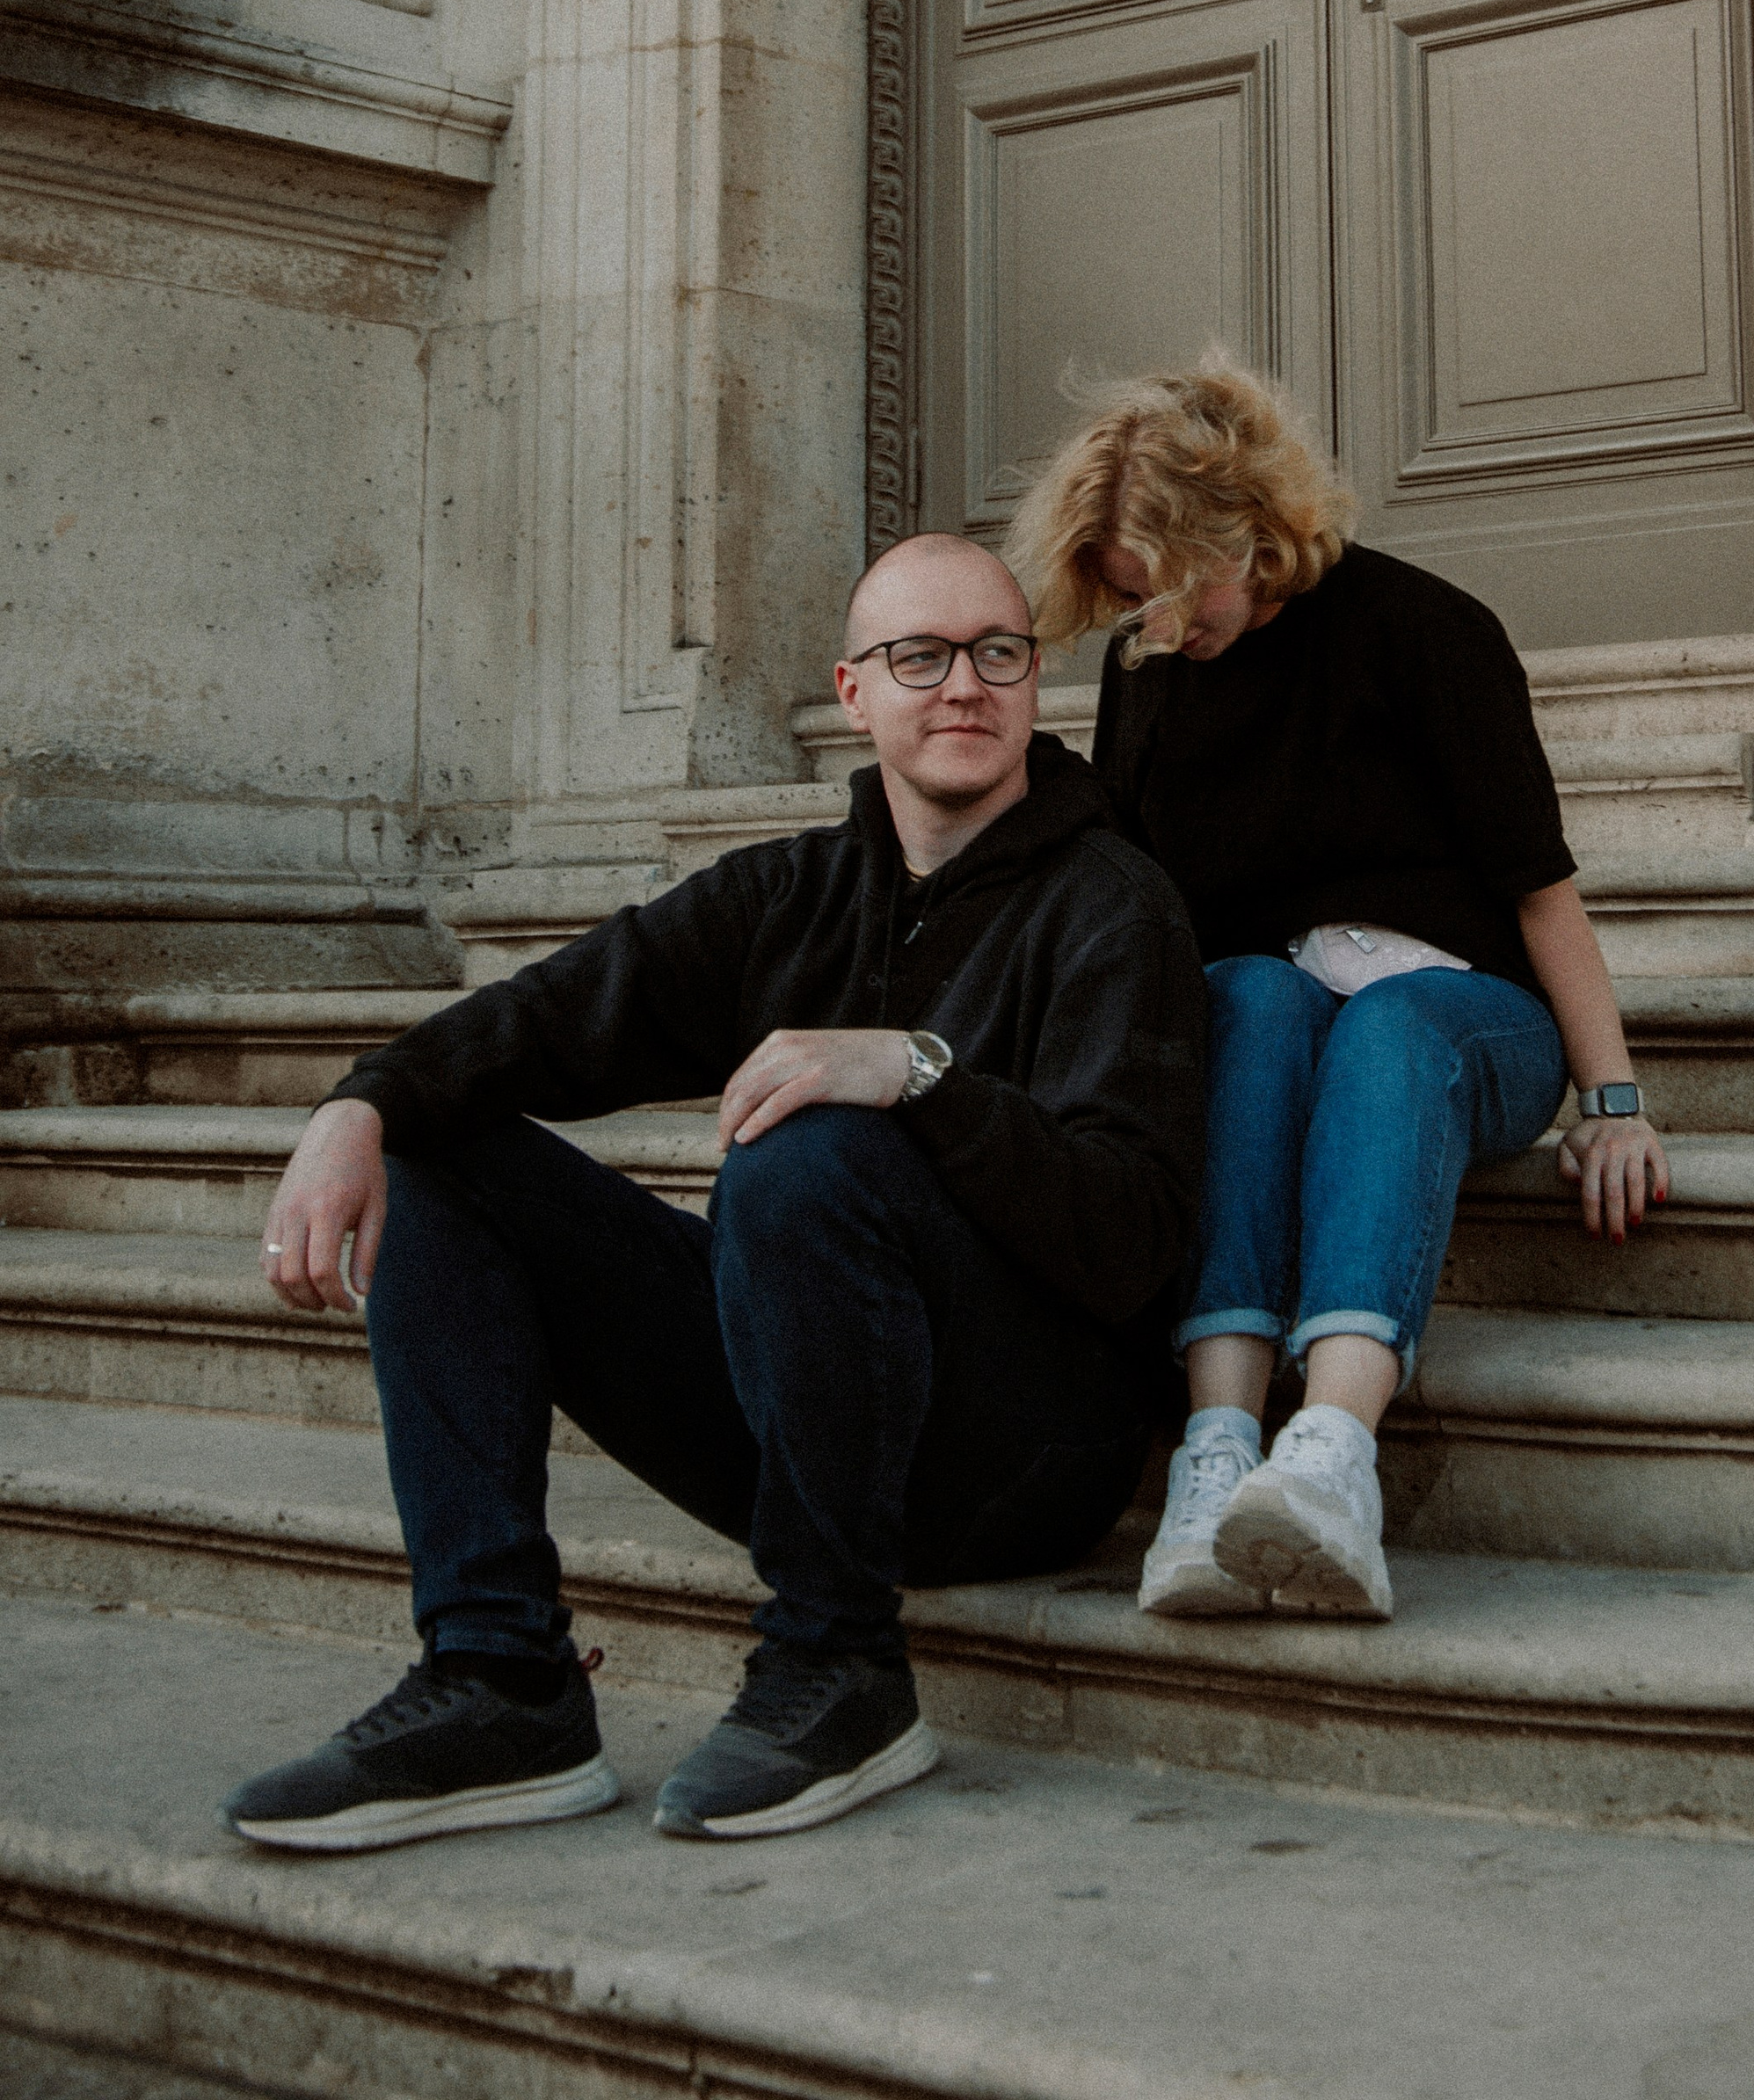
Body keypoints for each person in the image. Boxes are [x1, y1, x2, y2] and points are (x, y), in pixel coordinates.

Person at [226, 534, 1203, 1853]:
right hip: (803, 1417)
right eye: (919, 656)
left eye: (997, 653)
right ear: (855, 693)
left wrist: (919, 1077)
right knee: (435, 1147)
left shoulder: (1114, 905)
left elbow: (1133, 1238)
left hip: (1018, 1451)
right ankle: (501, 1680)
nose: (963, 685)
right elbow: (548, 1018)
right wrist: (360, 1101)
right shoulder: (790, 892)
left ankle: (840, 1668)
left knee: (811, 1143)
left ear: (1035, 681)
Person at [1005, 358, 1668, 1626]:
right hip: (1279, 1026)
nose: (1155, 622)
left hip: (1466, 1019)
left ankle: (1330, 1457)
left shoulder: (1427, 633)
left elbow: (1540, 890)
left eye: (1170, 585)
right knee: (1245, 999)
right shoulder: (1154, 676)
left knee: (1389, 1025)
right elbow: (1135, 905)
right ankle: (1215, 1457)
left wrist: (1617, 1098)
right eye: (1128, 597)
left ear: (1250, 530)